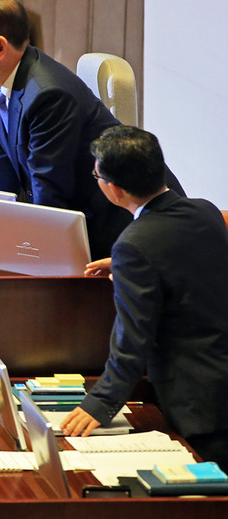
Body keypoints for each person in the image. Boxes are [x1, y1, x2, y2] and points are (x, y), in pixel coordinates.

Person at [0, 0, 183, 259]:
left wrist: (34, 253)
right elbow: (0, 160)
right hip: (81, 216)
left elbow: (49, 186)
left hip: (122, 226)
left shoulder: (47, 94)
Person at [59, 126, 228, 469]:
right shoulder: (205, 211)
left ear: (115, 190)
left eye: (97, 175)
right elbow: (186, 258)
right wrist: (126, 264)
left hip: (195, 402)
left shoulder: (135, 244)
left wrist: (101, 402)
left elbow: (133, 338)